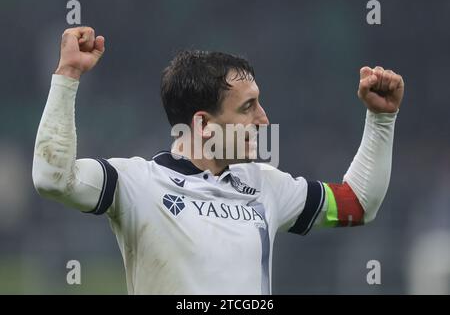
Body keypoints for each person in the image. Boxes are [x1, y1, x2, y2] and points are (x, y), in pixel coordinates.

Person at [32, 26, 404, 294]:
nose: (263, 120)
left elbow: (358, 204)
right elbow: (52, 178)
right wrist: (68, 76)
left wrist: (381, 119)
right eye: (248, 107)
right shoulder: (135, 184)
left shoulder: (265, 184)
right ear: (204, 125)